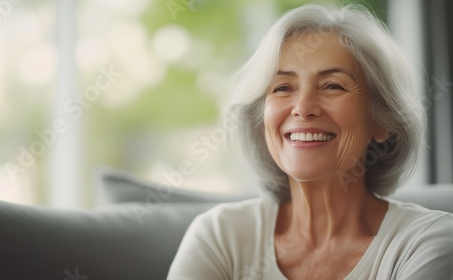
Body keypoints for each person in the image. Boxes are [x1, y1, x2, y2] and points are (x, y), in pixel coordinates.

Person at [167, 3, 453, 279]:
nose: (303, 107)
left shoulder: (427, 240)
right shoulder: (219, 236)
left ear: (382, 122)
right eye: (282, 87)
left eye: (332, 85)